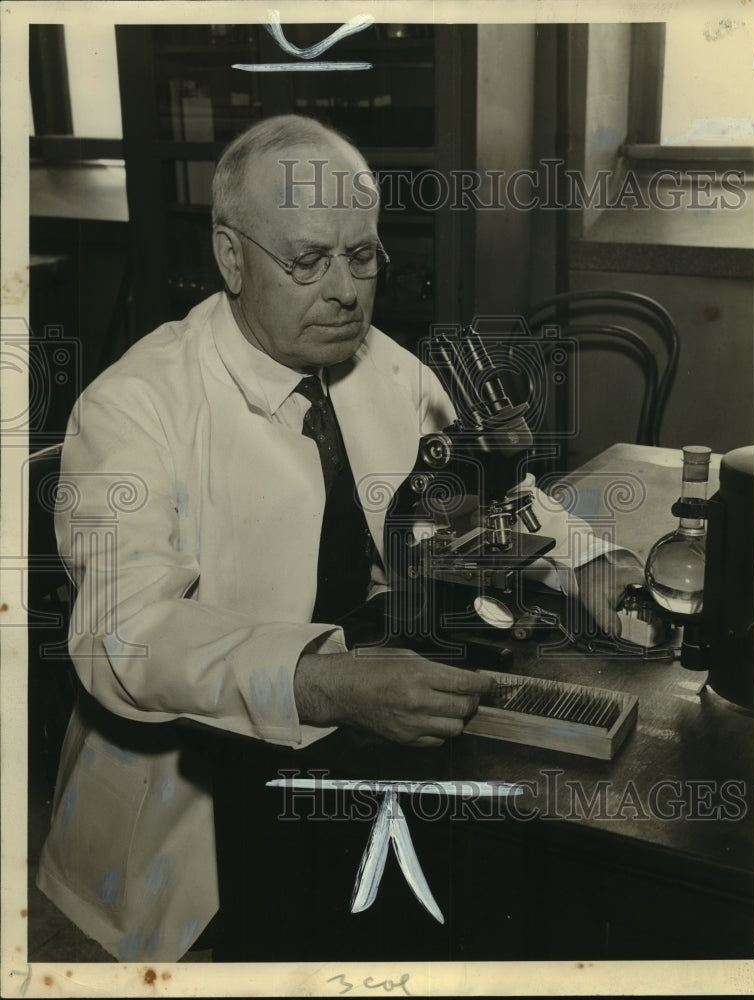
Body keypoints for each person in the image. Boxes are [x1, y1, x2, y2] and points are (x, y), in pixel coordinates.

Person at [36, 114, 638, 962]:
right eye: (309, 260)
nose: (347, 292)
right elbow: (124, 633)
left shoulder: (384, 364)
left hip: (370, 724)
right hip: (197, 802)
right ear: (231, 256)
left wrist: (589, 561)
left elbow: (496, 494)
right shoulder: (133, 407)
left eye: (363, 256)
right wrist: (322, 683)